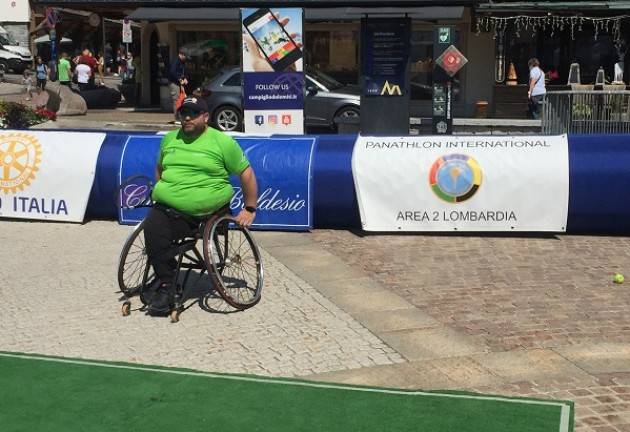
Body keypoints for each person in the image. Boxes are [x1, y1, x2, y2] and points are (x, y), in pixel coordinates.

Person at [143, 96, 258, 316]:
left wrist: (249, 208)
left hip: (206, 212)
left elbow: (246, 173)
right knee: (153, 229)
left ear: (205, 116)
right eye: (183, 113)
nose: (186, 118)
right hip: (169, 207)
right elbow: (160, 168)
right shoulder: (169, 139)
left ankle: (166, 270)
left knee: (165, 233)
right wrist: (164, 191)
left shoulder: (222, 142)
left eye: (193, 114)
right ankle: (167, 284)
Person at [168, 50, 188, 117]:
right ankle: (176, 117)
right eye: (185, 56)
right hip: (174, 83)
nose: (185, 58)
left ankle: (180, 116)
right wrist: (179, 79)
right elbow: (172, 72)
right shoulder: (175, 61)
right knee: (176, 99)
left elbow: (183, 71)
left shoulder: (182, 62)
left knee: (182, 99)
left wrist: (185, 78)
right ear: (180, 54)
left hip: (180, 83)